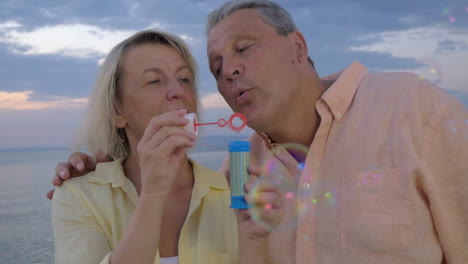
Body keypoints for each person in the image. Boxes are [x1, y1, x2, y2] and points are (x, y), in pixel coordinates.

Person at [49, 1, 468, 263]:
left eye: (243, 48)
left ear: (298, 48)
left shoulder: (412, 108)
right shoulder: (238, 180)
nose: (228, 70)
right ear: (117, 109)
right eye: (214, 69)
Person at [51, 29, 280, 264]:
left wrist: (254, 241)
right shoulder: (78, 196)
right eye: (154, 81)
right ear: (117, 111)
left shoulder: (236, 196)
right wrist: (153, 194)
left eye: (184, 79)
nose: (179, 92)